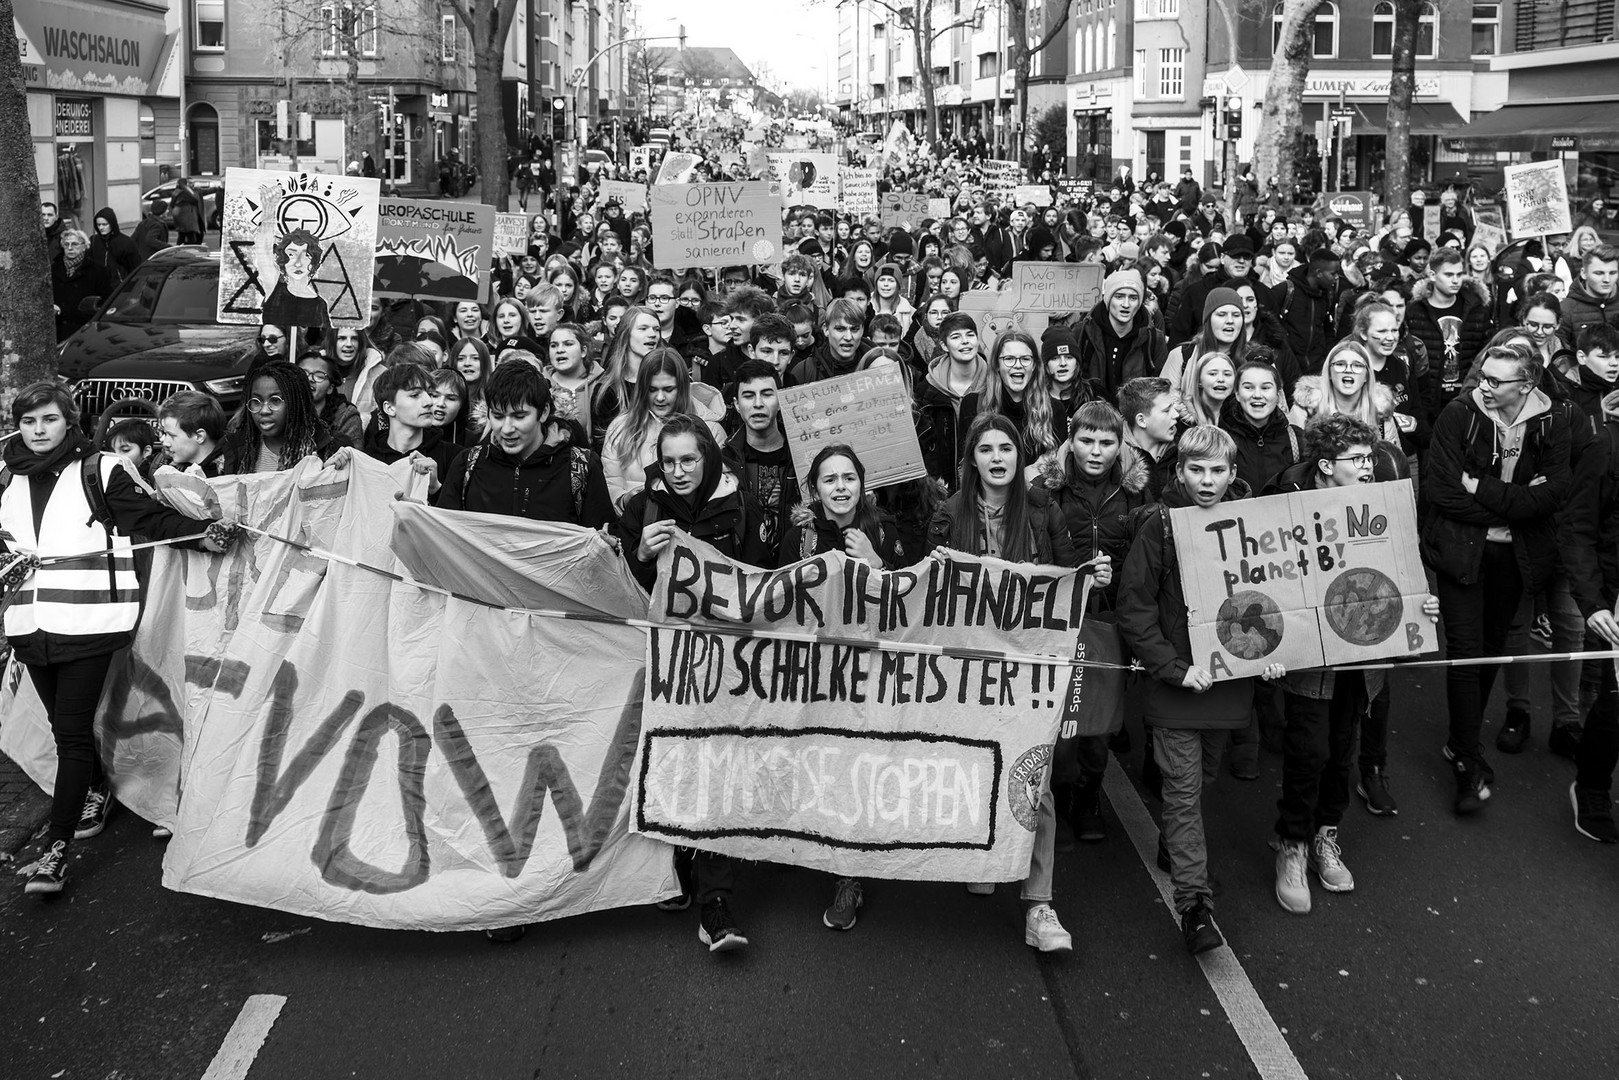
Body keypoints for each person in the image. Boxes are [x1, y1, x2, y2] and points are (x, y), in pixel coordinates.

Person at [0, 383, 237, 896]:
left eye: (49, 420)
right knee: (66, 727)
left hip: (90, 621)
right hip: (28, 625)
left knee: (71, 731)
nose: (38, 431)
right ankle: (94, 786)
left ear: (70, 421)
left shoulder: (102, 469)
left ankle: (55, 850)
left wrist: (202, 532)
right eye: (29, 422)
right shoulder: (6, 474)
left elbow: (147, 519)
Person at [1116, 424, 1283, 953]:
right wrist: (1171, 666)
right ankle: (1194, 905)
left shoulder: (1255, 525)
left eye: (1217, 471)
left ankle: (1175, 843)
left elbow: (1278, 598)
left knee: (1201, 780)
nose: (1206, 480)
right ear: (1179, 472)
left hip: (1228, 691)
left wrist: (1276, 659)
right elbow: (1134, 608)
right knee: (1184, 796)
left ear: (1234, 474)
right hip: (1178, 689)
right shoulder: (1160, 528)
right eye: (1196, 470)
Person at [1263, 415, 1438, 913]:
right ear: (1324, 466)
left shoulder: (1382, 504)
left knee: (1343, 750)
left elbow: (1406, 569)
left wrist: (1422, 605)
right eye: (1357, 460)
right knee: (1307, 749)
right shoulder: (1284, 505)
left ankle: (1325, 834)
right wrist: (1268, 653)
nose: (1368, 467)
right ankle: (1292, 844)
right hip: (1308, 659)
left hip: (1363, 658)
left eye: (1369, 458)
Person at [616, 414, 773, 953]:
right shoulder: (641, 509)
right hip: (666, 668)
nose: (679, 471)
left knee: (719, 769)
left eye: (690, 460)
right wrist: (639, 554)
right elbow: (622, 592)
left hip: (728, 666)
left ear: (709, 458)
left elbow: (764, 581)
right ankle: (675, 862)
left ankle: (717, 900)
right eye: (670, 461)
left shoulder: (743, 505)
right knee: (673, 765)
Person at [925, 413, 1077, 953]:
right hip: (969, 668)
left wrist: (1090, 579)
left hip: (1030, 672)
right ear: (971, 461)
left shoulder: (1043, 512)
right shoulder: (948, 514)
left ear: (1018, 456)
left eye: (1006, 448)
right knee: (975, 765)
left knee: (1035, 780)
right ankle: (986, 856)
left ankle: (1040, 907)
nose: (996, 458)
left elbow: (1067, 587)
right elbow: (928, 598)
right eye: (985, 449)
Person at [1424, 344, 1572, 814]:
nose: (1483, 387)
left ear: (1526, 386)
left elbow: (1552, 497)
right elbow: (1442, 490)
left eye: (1495, 381)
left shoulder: (1554, 419)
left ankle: (1458, 740)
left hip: (1516, 557)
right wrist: (1513, 501)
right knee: (1465, 652)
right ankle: (1467, 761)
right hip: (1461, 551)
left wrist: (1483, 487)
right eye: (1482, 377)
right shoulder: (1458, 412)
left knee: (1492, 651)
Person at [1034, 400, 1150, 841]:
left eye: (1107, 442)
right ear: (1071, 440)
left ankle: (1088, 794)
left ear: (1121, 445)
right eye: (1086, 441)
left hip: (1110, 617)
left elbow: (1145, 551)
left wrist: (1117, 583)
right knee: (1058, 713)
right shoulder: (1048, 487)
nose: (1096, 451)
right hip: (1060, 615)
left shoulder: (1136, 490)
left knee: (1100, 714)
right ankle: (1057, 792)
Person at [436, 359, 614, 528]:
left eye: (519, 417)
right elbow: (445, 538)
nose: (506, 429)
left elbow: (602, 542)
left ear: (543, 412)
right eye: (498, 416)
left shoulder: (582, 467)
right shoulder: (467, 465)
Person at [601, 349, 724, 508]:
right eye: (652, 390)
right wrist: (624, 500)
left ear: (682, 387)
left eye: (668, 389)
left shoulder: (711, 430)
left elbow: (720, 488)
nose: (660, 398)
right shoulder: (620, 428)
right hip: (635, 525)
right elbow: (610, 482)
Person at [956, 330, 1069, 464]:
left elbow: (1060, 470)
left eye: (1025, 359)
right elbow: (967, 465)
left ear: (1034, 365)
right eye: (1009, 359)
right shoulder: (973, 405)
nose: (1018, 365)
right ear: (997, 365)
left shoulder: (1054, 410)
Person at [221, 361, 350, 474]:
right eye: (256, 401)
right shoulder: (238, 447)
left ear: (296, 403)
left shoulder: (333, 448)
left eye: (275, 401)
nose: (264, 410)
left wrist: (326, 474)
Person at [723, 360, 798, 553]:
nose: (758, 404)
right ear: (737, 405)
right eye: (748, 396)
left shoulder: (802, 455)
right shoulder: (724, 462)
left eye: (767, 394)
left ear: (780, 401)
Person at [1407, 248, 1492, 410]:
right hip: (1428, 398)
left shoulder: (1476, 308)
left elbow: (1486, 351)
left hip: (1468, 395)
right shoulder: (1415, 311)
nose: (1455, 280)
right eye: (1448, 275)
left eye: (1459, 274)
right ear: (1432, 276)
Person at [360, 362, 462, 488]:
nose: (429, 402)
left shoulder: (455, 457)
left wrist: (435, 488)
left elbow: (463, 507)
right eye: (415, 395)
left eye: (430, 394)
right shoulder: (368, 462)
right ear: (389, 408)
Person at [916, 312, 988, 487]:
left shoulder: (994, 383)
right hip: (940, 487)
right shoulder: (927, 390)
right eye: (956, 337)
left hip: (984, 483)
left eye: (970, 335)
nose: (965, 341)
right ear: (944, 345)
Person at [1076, 267, 1169, 402]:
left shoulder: (1153, 338)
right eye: (1119, 296)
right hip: (1092, 416)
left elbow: (1161, 388)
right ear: (1108, 299)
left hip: (1136, 418)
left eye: (1133, 298)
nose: (1126, 304)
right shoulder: (1084, 332)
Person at [1117, 376, 1179, 500]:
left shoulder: (1183, 451)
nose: (1176, 414)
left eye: (1174, 407)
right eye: (1167, 410)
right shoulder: (1115, 459)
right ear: (1141, 420)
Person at [261, 229, 331, 329]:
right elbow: (262, 247)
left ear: (313, 262)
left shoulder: (320, 305)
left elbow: (325, 338)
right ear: (282, 260)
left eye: (306, 255)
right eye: (291, 255)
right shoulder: (274, 290)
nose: (298, 263)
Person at [1557, 244, 1619, 348]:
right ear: (1584, 273)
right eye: (1599, 273)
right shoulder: (1566, 309)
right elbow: (1559, 354)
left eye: (1612, 273)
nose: (1607, 279)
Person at [51, 229, 109, 340]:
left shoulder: (98, 270)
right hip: (58, 328)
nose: (70, 248)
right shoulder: (53, 269)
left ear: (84, 246)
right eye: (66, 244)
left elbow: (104, 299)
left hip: (84, 328)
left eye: (74, 244)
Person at [298, 349, 362, 447]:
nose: (310, 379)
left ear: (330, 388)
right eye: (303, 373)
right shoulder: (282, 408)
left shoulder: (346, 416)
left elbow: (355, 457)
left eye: (319, 376)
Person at [157, 390, 228, 478]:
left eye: (171, 435)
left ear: (199, 436)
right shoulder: (163, 464)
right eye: (163, 432)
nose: (163, 441)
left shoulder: (231, 475)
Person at [87, 208, 139, 284]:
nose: (101, 228)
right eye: (98, 225)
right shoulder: (94, 241)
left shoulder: (127, 242)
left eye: (104, 224)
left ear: (112, 224)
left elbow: (134, 267)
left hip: (120, 286)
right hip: (98, 285)